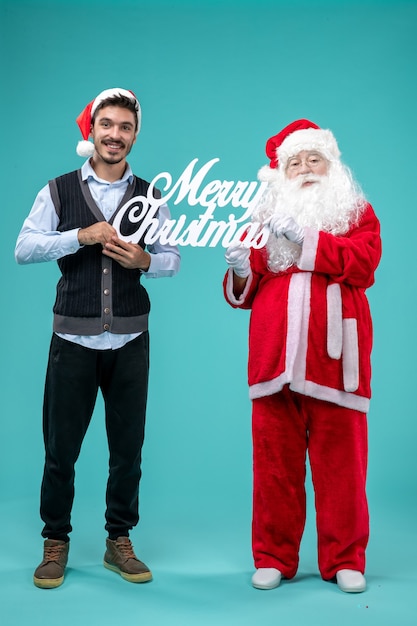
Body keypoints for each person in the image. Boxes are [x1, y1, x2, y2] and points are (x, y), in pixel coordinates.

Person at [15, 88, 180, 589]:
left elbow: (172, 256)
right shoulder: (59, 191)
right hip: (73, 339)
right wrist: (79, 237)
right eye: (106, 125)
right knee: (60, 447)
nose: (115, 134)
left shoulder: (150, 196)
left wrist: (146, 260)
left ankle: (118, 540)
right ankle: (56, 541)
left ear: (135, 134)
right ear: (91, 131)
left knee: (127, 448)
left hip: (131, 341)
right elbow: (23, 248)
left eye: (125, 127)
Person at [224, 119, 381, 593]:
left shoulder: (355, 212)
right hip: (273, 360)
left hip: (337, 361)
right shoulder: (263, 221)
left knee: (342, 467)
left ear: (332, 166)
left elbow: (365, 263)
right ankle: (273, 556)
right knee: (274, 468)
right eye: (295, 161)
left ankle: (345, 559)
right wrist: (237, 270)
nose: (306, 168)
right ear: (282, 172)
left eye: (315, 159)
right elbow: (245, 290)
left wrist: (308, 239)